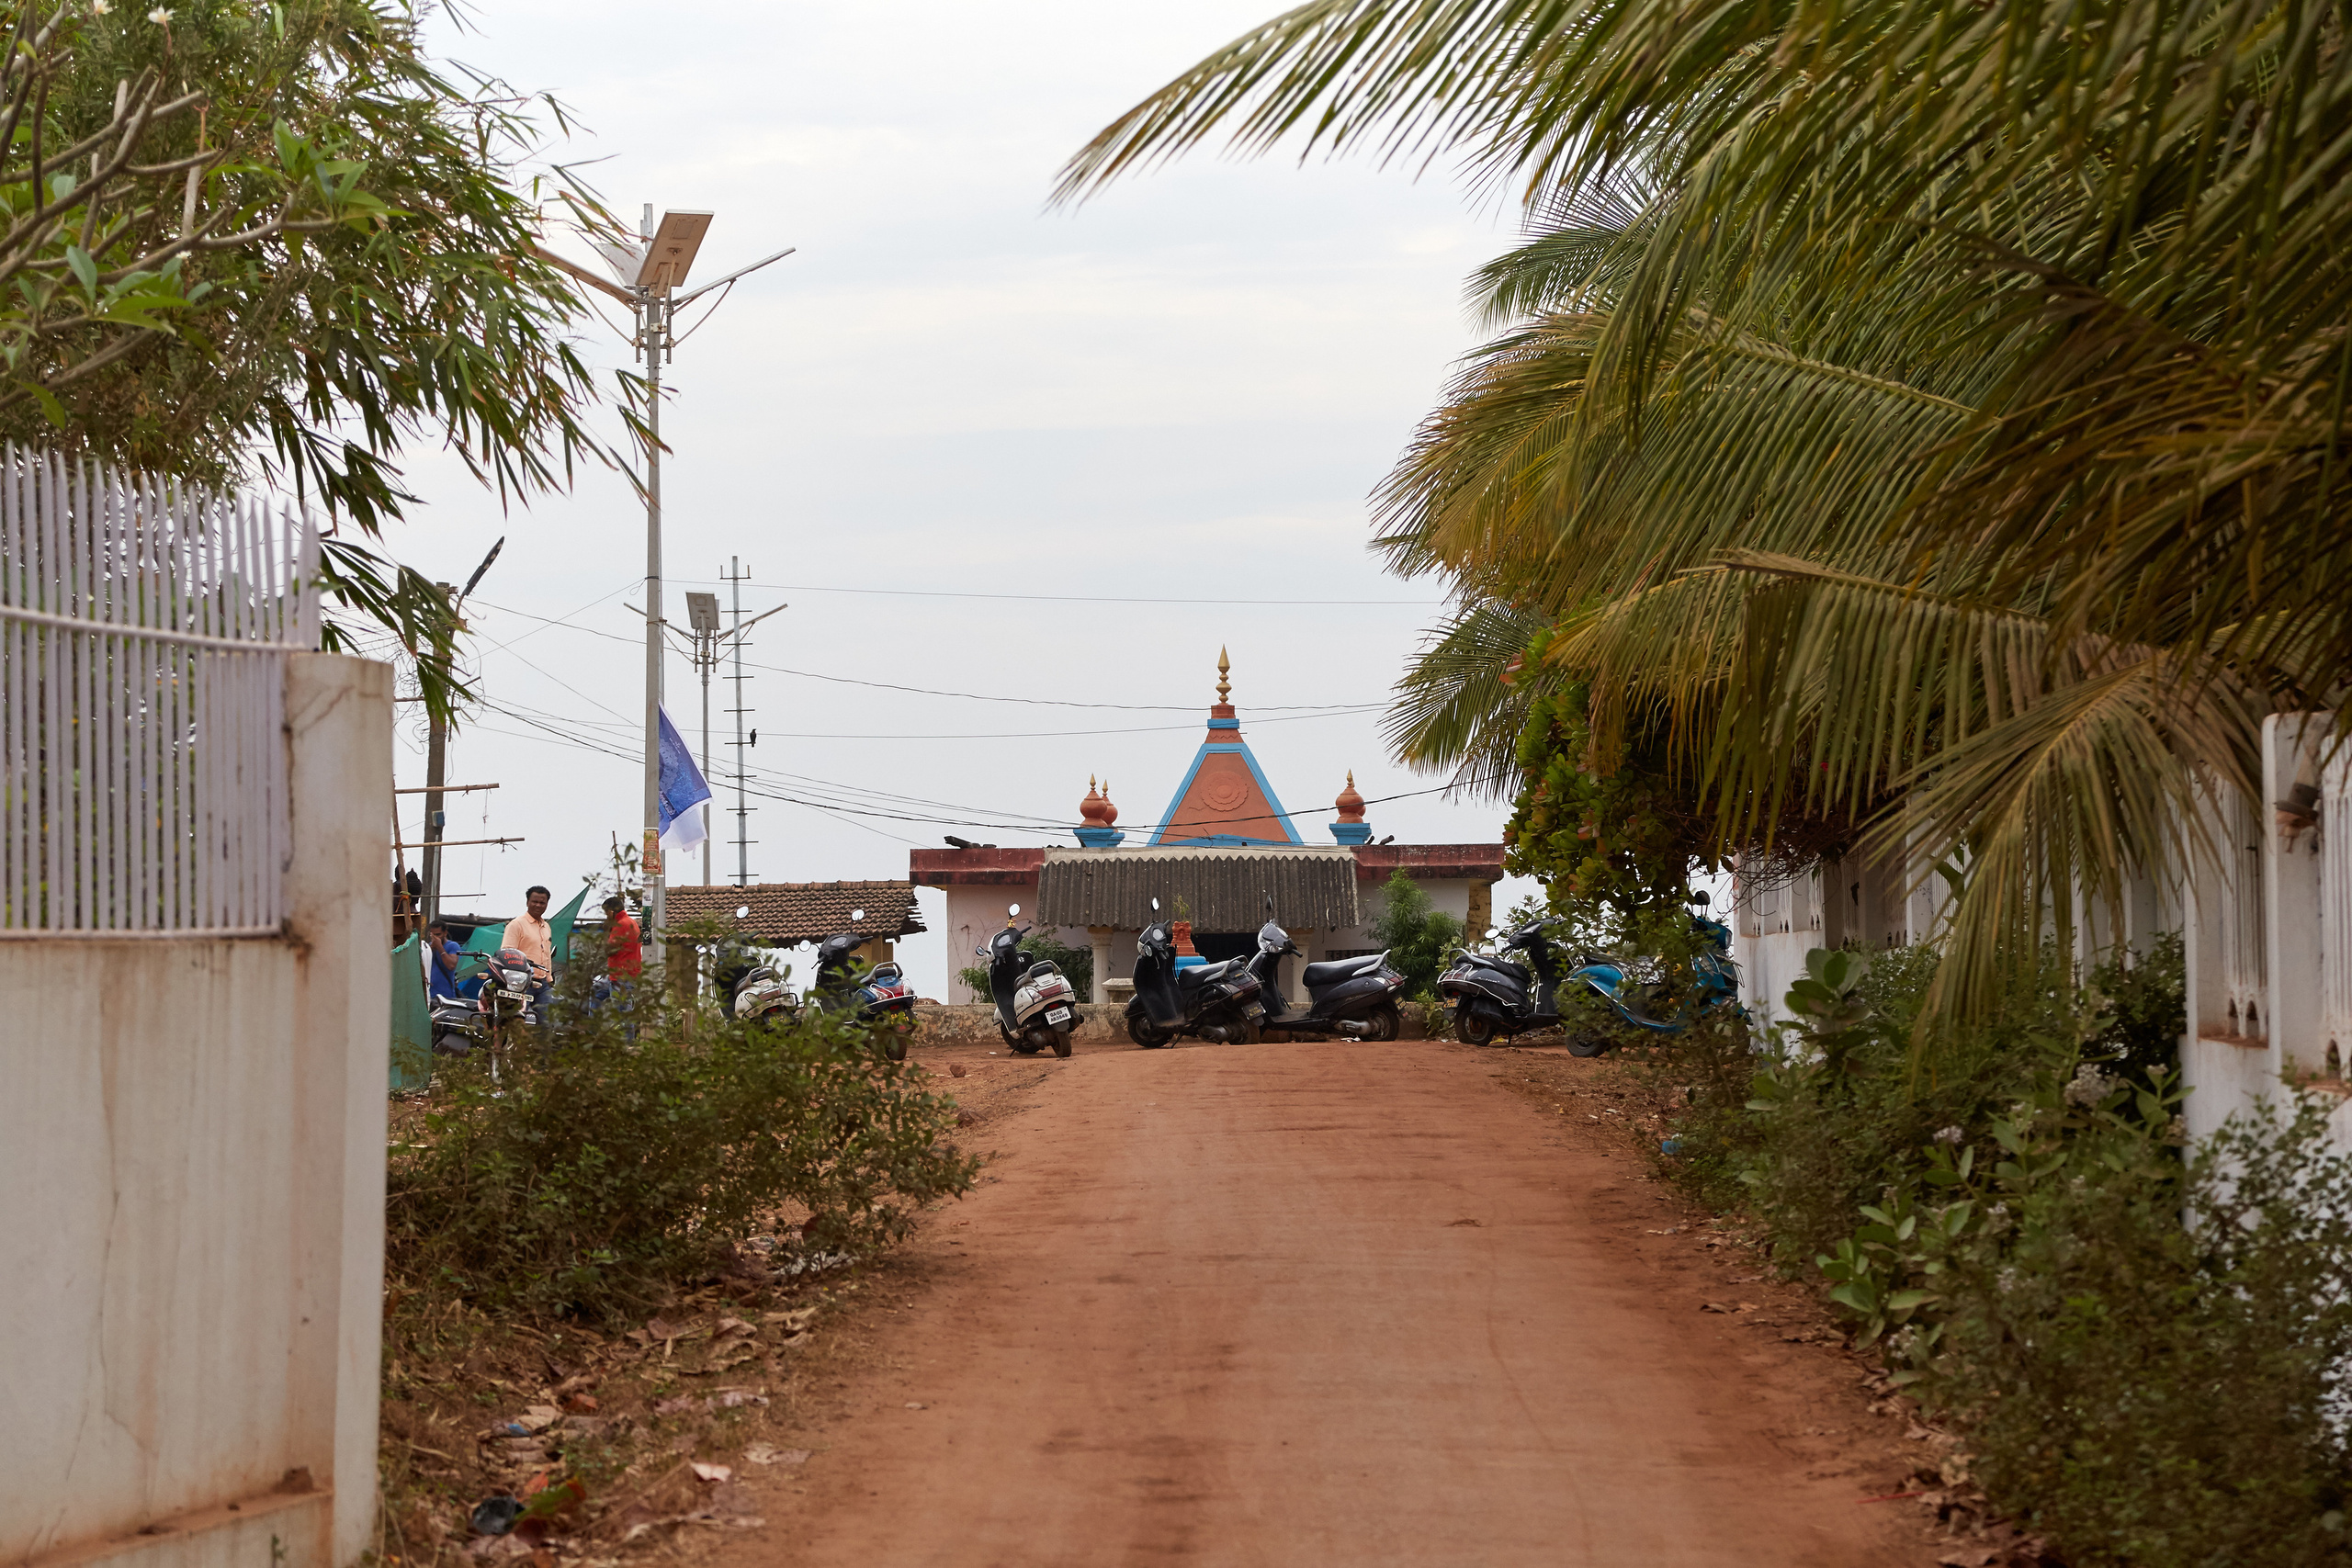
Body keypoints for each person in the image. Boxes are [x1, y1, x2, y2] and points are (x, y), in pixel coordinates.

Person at [502, 885, 556, 1020]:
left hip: (542, 983)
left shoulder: (546, 927)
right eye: (534, 902)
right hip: (522, 983)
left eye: (542, 902)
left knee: (546, 1023)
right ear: (527, 902)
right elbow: (507, 954)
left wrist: (549, 979)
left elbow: (547, 954)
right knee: (517, 1020)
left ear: (547, 904)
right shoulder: (516, 925)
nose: (538, 905)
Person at [423, 919, 478, 1002]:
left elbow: (451, 965)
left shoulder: (452, 946)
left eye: (438, 935)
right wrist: (431, 949)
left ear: (445, 933)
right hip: (430, 993)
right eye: (433, 935)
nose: (436, 938)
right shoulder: (429, 947)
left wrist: (440, 948)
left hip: (445, 994)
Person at [604, 895, 642, 980]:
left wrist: (607, 930)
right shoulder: (631, 922)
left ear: (611, 912)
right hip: (632, 972)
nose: (606, 917)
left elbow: (609, 950)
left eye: (606, 914)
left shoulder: (620, 925)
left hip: (621, 975)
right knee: (599, 989)